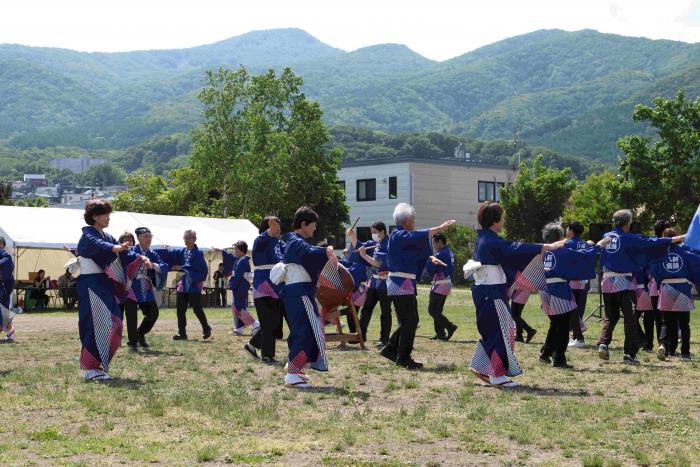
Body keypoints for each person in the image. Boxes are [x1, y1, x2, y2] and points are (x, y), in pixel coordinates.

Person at [464, 201, 564, 388]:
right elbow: (516, 249)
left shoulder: (483, 239)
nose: (503, 221)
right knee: (503, 330)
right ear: (495, 220)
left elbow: (511, 250)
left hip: (485, 292)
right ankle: (497, 375)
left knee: (493, 331)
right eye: (501, 218)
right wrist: (545, 247)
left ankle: (482, 367)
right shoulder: (492, 241)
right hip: (492, 293)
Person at [596, 210, 684, 364]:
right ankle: (629, 354)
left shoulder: (606, 237)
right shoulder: (629, 237)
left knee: (611, 316)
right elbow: (652, 242)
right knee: (630, 320)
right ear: (627, 223)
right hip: (624, 283)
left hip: (607, 282)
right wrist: (676, 239)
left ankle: (603, 344)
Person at [76, 199, 149, 381]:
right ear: (95, 216)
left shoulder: (105, 235)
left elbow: (124, 252)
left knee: (115, 323)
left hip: (103, 284)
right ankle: (90, 369)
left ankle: (97, 365)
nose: (109, 218)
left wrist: (140, 256)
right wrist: (115, 247)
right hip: (90, 284)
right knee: (95, 323)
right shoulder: (88, 235)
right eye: (105, 214)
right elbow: (101, 246)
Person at [379, 203, 455, 370]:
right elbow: (416, 239)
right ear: (406, 220)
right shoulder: (398, 235)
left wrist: (429, 258)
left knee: (410, 321)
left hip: (402, 282)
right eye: (412, 218)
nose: (414, 221)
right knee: (410, 321)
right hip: (399, 282)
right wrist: (440, 227)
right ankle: (403, 357)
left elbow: (415, 248)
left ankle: (392, 349)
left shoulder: (402, 235)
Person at [273, 206, 338, 388]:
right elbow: (310, 254)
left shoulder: (292, 241)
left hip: (297, 292)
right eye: (313, 225)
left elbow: (309, 254)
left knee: (305, 330)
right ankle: (293, 373)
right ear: (303, 224)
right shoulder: (295, 241)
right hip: (299, 291)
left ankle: (296, 367)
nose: (315, 229)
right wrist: (326, 251)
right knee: (306, 330)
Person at [537, 223, 607, 369]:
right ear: (560, 237)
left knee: (555, 324)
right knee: (562, 326)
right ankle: (558, 358)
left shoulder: (543, 251)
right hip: (559, 289)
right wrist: (598, 245)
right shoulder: (562, 251)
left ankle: (545, 353)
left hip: (545, 289)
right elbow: (583, 256)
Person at [652, 228, 700, 361]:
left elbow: (653, 268)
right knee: (684, 323)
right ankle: (685, 352)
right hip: (683, 288)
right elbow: (696, 261)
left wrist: (659, 279)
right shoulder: (684, 251)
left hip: (666, 288)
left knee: (667, 322)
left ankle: (668, 349)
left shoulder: (659, 254)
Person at [123, 227, 169, 350]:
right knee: (131, 315)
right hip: (130, 286)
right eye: (145, 236)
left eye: (150, 236)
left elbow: (164, 265)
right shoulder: (131, 251)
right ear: (138, 238)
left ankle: (140, 333)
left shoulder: (152, 253)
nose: (148, 239)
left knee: (153, 313)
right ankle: (132, 342)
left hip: (145, 286)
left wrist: (153, 265)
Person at [248, 216, 285, 363]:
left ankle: (252, 345)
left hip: (278, 285)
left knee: (274, 322)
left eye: (278, 227)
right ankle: (267, 355)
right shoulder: (260, 240)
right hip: (263, 284)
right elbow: (263, 245)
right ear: (267, 228)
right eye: (274, 227)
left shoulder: (281, 243)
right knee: (268, 321)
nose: (277, 229)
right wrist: (269, 232)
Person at [167, 230, 212, 341]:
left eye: (190, 238)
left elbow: (201, 269)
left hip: (194, 284)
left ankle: (206, 328)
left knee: (197, 309)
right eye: (185, 238)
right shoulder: (182, 251)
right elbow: (171, 255)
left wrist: (183, 268)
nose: (187, 240)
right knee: (180, 309)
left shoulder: (198, 253)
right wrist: (166, 251)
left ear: (195, 239)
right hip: (183, 284)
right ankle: (182, 333)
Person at [357, 222, 393, 348]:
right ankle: (361, 335)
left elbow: (378, 264)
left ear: (382, 231)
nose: (373, 235)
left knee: (385, 312)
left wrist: (363, 255)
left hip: (384, 284)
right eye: (372, 232)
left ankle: (384, 339)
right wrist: (352, 236)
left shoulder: (387, 245)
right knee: (366, 309)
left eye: (375, 232)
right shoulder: (377, 244)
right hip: (373, 283)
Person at [220, 241, 259, 338]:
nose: (235, 251)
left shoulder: (242, 261)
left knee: (238, 308)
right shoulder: (240, 260)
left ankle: (255, 324)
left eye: (236, 249)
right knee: (237, 307)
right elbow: (232, 260)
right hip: (239, 287)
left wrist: (230, 284)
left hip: (240, 287)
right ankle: (239, 328)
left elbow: (237, 275)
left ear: (241, 251)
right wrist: (222, 251)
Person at [424, 233, 458, 341]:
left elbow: (431, 270)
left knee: (432, 310)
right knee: (437, 311)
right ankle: (440, 333)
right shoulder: (449, 252)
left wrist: (429, 260)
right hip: (446, 283)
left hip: (440, 284)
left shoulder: (440, 255)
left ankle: (450, 326)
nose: (433, 245)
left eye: (434, 243)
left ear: (439, 242)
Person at [564, 221, 591, 348]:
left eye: (567, 228)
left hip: (573, 281)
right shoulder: (585, 244)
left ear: (571, 230)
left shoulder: (568, 243)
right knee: (578, 310)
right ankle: (576, 336)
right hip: (584, 281)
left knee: (572, 310)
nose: (566, 231)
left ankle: (578, 335)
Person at [0, 236, 16, 341]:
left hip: (4, 285)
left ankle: (10, 331)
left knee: (3, 309)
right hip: (5, 285)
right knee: (3, 309)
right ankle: (10, 332)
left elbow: (8, 263)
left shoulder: (4, 254)